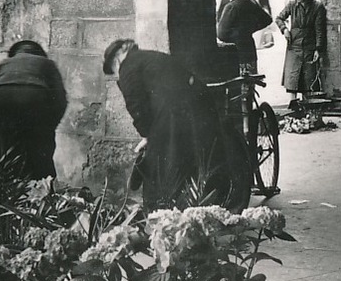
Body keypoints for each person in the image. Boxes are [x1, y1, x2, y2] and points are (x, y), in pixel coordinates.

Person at [103, 39, 244, 210]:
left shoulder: (128, 67)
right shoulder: (152, 57)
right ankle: (210, 208)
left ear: (117, 59)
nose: (118, 73)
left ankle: (165, 214)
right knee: (200, 163)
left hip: (175, 118)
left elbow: (136, 106)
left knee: (165, 170)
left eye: (115, 70)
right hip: (201, 109)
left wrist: (147, 134)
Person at [0, 39, 68, 180]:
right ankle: (41, 196)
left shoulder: (3, 64)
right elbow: (61, 100)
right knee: (40, 160)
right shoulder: (48, 64)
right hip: (33, 100)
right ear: (40, 53)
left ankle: (0, 198)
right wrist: (48, 127)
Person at [276, 0, 329, 105]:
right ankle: (293, 104)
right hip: (294, 46)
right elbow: (279, 18)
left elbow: (319, 30)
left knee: (308, 78)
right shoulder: (292, 5)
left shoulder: (317, 7)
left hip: (309, 46)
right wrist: (284, 30)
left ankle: (308, 105)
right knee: (292, 78)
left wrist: (318, 49)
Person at [215, 0, 274, 79]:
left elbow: (221, 34)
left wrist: (237, 34)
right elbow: (267, 19)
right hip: (249, 50)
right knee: (250, 87)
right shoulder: (253, 3)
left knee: (237, 88)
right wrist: (250, 29)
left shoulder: (231, 7)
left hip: (233, 53)